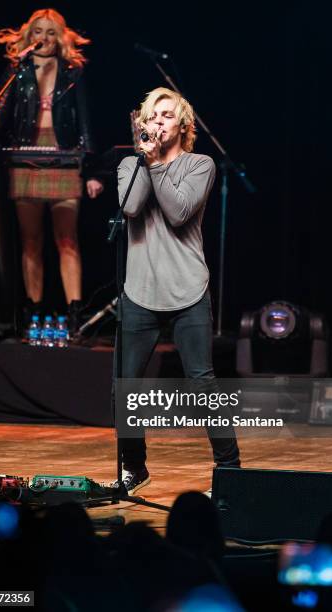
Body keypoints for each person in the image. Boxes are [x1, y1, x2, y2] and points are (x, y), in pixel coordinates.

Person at [116, 87, 240, 494]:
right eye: (152, 116)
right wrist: (145, 162)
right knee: (127, 386)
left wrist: (154, 165)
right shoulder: (128, 167)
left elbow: (178, 212)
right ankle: (134, 468)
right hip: (140, 291)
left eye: (166, 115)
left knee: (202, 382)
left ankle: (230, 470)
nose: (158, 122)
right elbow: (132, 208)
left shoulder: (199, 165)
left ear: (183, 125)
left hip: (188, 289)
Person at [0, 8, 104, 333]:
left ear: (61, 38)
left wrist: (93, 171)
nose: (44, 38)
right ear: (29, 36)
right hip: (25, 159)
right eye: (38, 31)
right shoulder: (18, 70)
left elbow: (86, 122)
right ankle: (33, 311)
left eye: (51, 32)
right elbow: (0, 111)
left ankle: (74, 313)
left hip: (65, 157)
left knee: (67, 239)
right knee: (30, 240)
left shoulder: (73, 72)